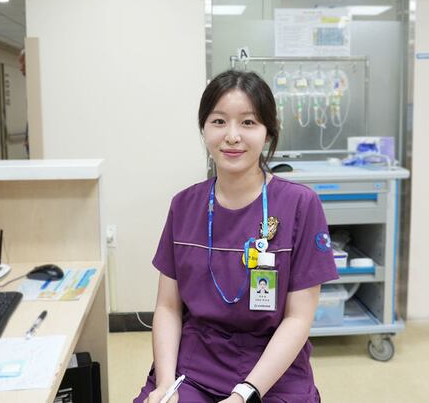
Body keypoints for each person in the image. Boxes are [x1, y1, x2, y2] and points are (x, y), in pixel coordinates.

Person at [134, 70, 339, 403]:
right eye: (218, 121)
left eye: (248, 122)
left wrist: (245, 394)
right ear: (204, 129)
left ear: (268, 132)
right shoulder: (184, 206)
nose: (232, 136)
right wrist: (166, 384)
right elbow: (168, 307)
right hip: (196, 363)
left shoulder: (300, 205)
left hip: (273, 370)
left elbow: (298, 318)